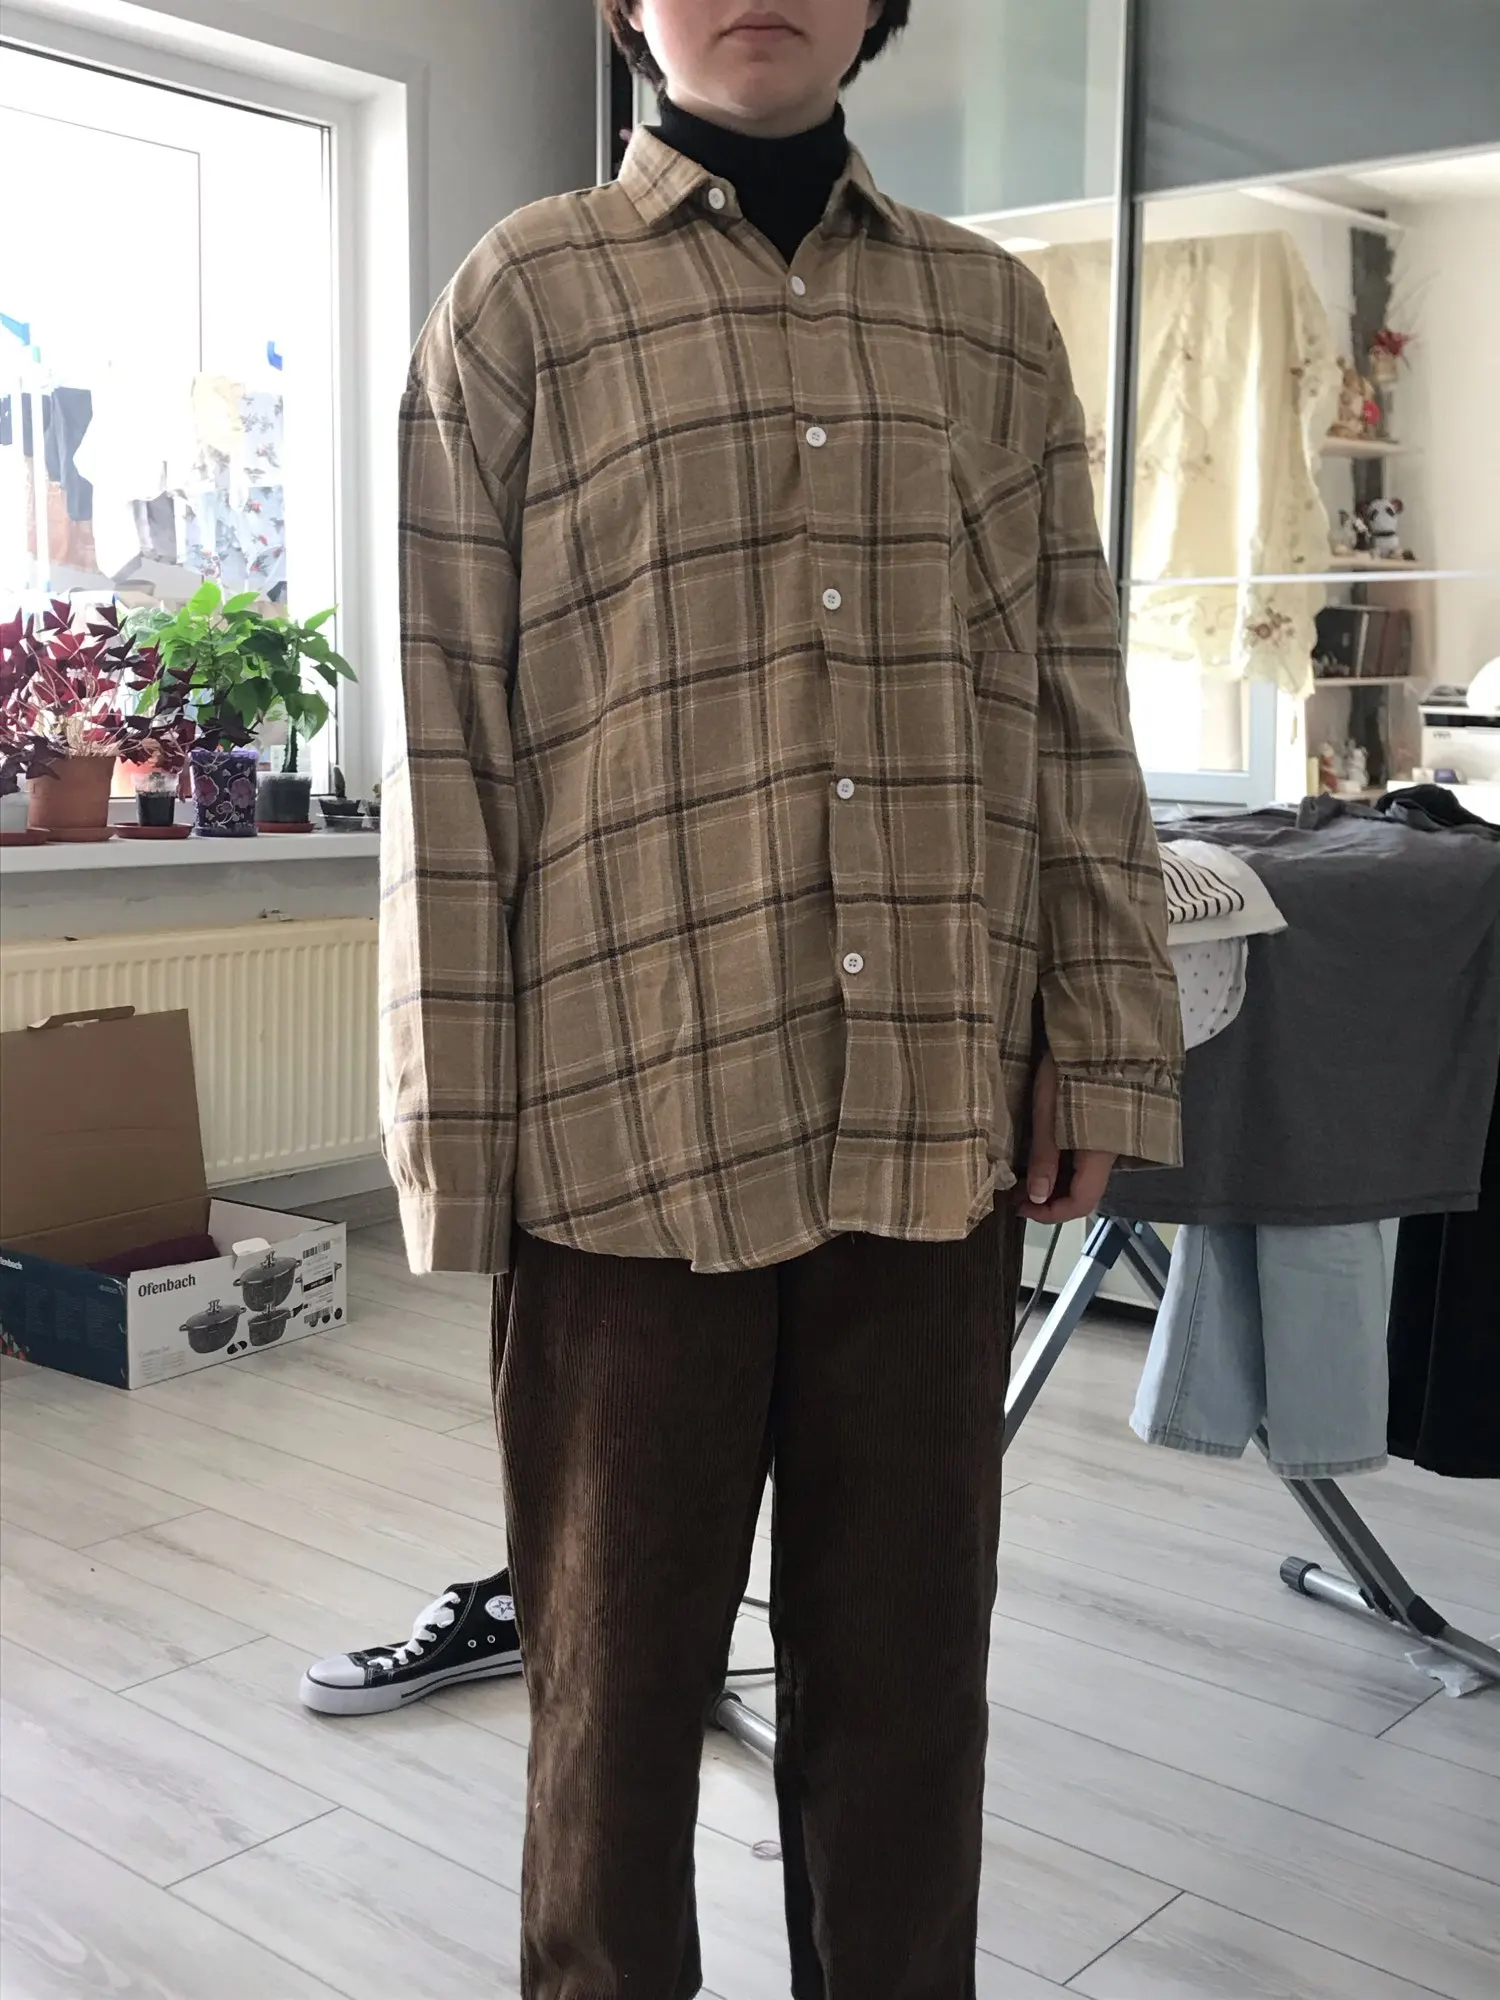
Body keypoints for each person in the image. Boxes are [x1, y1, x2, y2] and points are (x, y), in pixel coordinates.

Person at [377, 0, 1183, 1990]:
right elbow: (450, 738)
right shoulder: (525, 300)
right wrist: (455, 1134)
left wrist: (1102, 1034)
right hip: (627, 1116)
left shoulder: (992, 320)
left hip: (933, 1106)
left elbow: (1072, 700)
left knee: (908, 1685)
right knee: (612, 1685)